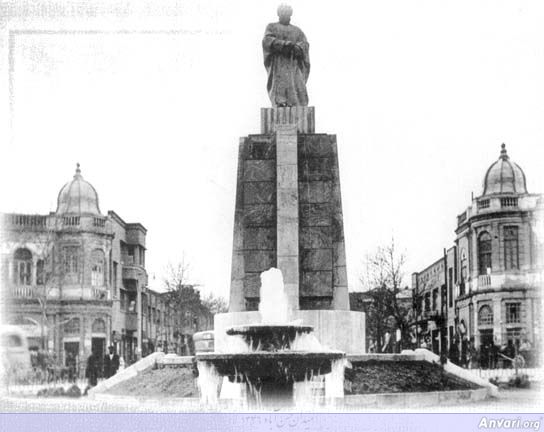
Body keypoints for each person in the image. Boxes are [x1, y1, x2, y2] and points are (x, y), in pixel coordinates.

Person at [262, 4, 310, 107]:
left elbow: (304, 44)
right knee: (280, 87)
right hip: (279, 65)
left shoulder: (297, 31)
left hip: (294, 65)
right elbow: (267, 41)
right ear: (278, 14)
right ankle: (280, 102)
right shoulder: (272, 27)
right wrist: (284, 45)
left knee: (298, 90)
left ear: (290, 14)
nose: (285, 14)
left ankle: (297, 102)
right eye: (282, 12)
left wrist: (298, 48)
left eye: (287, 13)